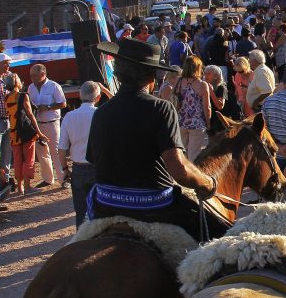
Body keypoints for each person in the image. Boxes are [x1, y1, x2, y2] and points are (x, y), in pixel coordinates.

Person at [87, 38, 225, 240]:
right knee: (218, 234)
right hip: (151, 206)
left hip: (106, 204)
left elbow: (93, 160)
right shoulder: (161, 108)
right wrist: (207, 183)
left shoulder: (101, 112)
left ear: (118, 74)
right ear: (152, 77)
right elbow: (178, 169)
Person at [59, 81, 103, 227]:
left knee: (80, 211)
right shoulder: (100, 114)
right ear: (98, 97)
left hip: (78, 167)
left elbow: (62, 148)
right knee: (100, 209)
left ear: (79, 95)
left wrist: (65, 169)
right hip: (98, 167)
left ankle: (82, 241)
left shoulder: (69, 117)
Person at [4, 73, 46, 195]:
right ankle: (28, 187)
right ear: (18, 83)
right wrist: (39, 132)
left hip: (13, 131)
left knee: (17, 159)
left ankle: (20, 188)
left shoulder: (6, 98)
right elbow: (30, 115)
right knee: (29, 158)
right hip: (26, 131)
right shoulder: (22, 96)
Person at [27, 64, 67, 188]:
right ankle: (48, 179)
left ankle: (64, 179)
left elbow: (63, 103)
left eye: (34, 75)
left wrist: (48, 107)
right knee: (42, 152)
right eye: (31, 76)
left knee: (56, 151)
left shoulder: (54, 86)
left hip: (52, 123)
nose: (32, 78)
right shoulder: (30, 88)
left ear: (43, 74)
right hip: (37, 124)